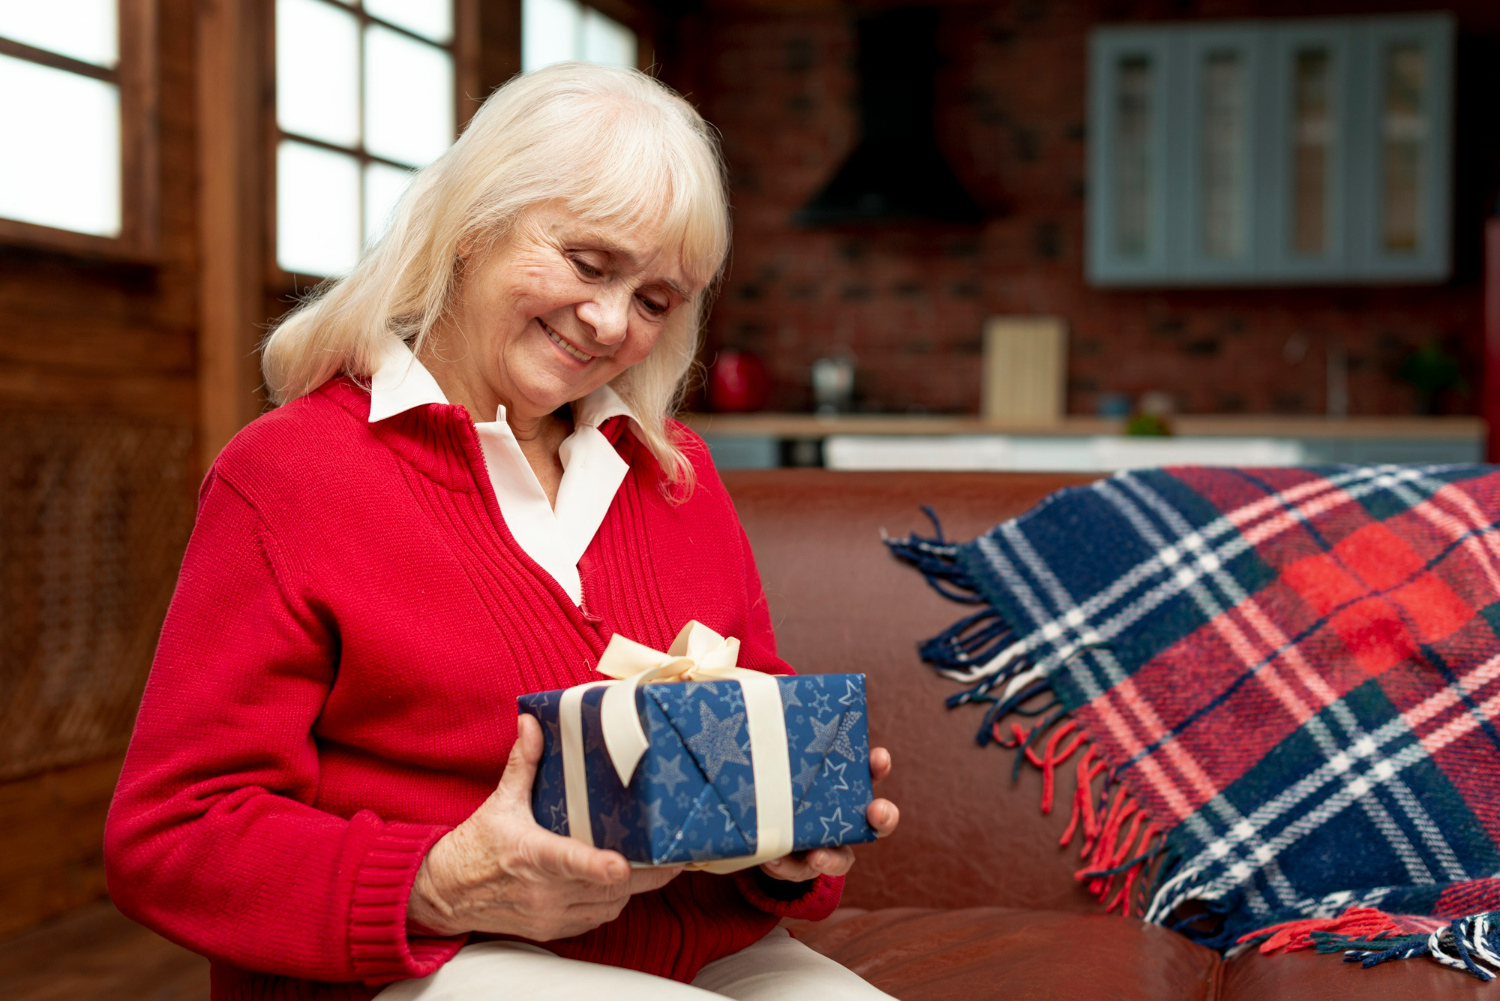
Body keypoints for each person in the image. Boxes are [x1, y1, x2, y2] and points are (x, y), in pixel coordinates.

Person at [104, 63, 900, 1001]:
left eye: (654, 301)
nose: (609, 322)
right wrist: (437, 882)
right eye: (588, 264)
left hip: (704, 948)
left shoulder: (675, 473)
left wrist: (789, 828)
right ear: (473, 227)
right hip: (430, 953)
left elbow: (748, 723)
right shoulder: (286, 475)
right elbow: (169, 835)